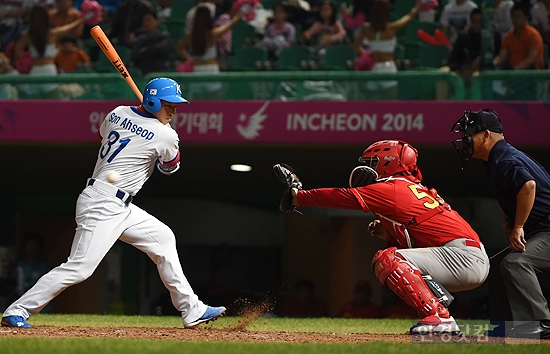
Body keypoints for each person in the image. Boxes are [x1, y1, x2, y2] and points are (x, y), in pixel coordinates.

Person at [1, 77, 226, 329]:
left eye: (175, 105)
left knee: (163, 238)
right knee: (80, 268)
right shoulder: (165, 134)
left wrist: (144, 125)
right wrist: (160, 136)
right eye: (167, 105)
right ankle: (17, 310)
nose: (173, 111)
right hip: (103, 202)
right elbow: (169, 168)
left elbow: (103, 137)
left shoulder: (117, 112)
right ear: (151, 101)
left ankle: (191, 308)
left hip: (119, 204)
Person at [284, 139, 490, 335]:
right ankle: (438, 316)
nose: (370, 168)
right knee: (395, 257)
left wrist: (298, 196)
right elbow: (419, 240)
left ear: (388, 162)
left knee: (387, 260)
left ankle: (439, 317)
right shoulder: (410, 187)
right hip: (466, 255)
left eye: (374, 163)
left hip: (462, 257)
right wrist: (390, 231)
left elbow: (341, 196)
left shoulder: (393, 187)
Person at [450, 109, 550, 339]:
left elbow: (528, 186)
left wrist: (518, 226)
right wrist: (510, 218)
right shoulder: (497, 157)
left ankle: (541, 324)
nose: (464, 140)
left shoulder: (504, 158)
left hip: (547, 229)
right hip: (541, 229)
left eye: (469, 134)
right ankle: (503, 328)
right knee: (496, 266)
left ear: (486, 135)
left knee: (515, 263)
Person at [352, 0, 421, 99]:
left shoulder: (366, 28)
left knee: (373, 102)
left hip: (373, 67)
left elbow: (355, 46)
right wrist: (418, 7)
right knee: (391, 101)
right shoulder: (392, 28)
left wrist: (366, 55)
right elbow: (409, 16)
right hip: (388, 68)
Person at [14, 4, 85, 97]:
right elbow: (68, 28)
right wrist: (81, 20)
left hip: (35, 71)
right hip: (49, 71)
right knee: (52, 102)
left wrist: (24, 59)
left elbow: (17, 49)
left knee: (36, 103)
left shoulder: (27, 36)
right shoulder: (53, 33)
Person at [176, 5, 243, 98]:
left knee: (198, 104)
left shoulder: (189, 36)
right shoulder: (213, 34)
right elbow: (229, 25)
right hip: (211, 70)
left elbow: (179, 48)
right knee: (214, 101)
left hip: (196, 70)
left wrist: (189, 59)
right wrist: (240, 15)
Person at [492, 3, 544, 71]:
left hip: (530, 72)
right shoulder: (509, 35)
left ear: (526, 17)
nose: (516, 19)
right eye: (514, 16)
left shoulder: (533, 35)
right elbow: (502, 56)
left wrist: (515, 70)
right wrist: (494, 63)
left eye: (519, 16)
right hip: (512, 70)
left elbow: (531, 58)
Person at [130, 10, 173, 74]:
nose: (146, 23)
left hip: (160, 68)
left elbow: (162, 49)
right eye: (144, 21)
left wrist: (146, 50)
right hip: (143, 69)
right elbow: (135, 55)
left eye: (149, 20)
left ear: (156, 21)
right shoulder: (140, 39)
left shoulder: (164, 36)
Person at [447, 8, 481, 82]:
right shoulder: (463, 36)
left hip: (482, 71)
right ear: (471, 22)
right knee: (443, 74)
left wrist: (481, 60)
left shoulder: (490, 36)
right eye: (474, 21)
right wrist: (456, 69)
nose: (477, 24)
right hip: (464, 70)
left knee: (476, 77)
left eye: (479, 21)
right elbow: (453, 58)